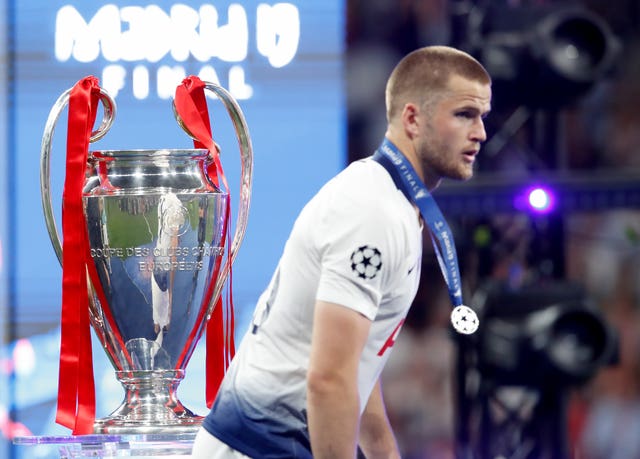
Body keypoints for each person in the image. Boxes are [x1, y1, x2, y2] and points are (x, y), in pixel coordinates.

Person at [191, 45, 492, 459]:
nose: (480, 132)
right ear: (412, 118)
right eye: (464, 115)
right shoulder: (373, 212)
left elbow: (354, 363)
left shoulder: (390, 203)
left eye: (482, 116)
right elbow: (329, 379)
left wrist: (384, 451)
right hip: (258, 446)